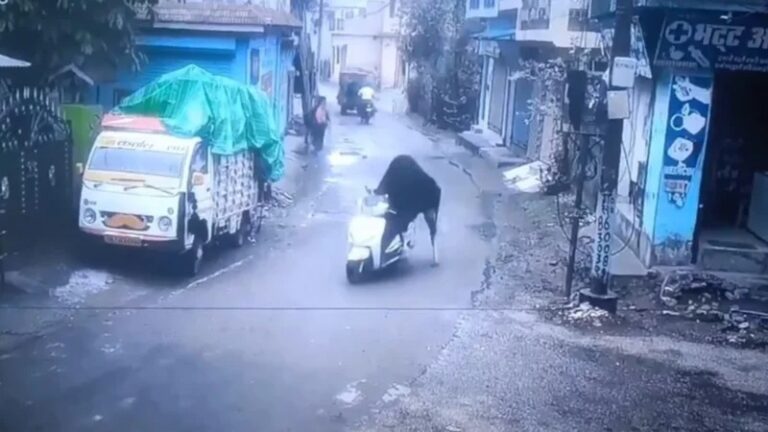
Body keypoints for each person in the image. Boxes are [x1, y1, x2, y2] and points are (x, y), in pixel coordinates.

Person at [374, 155, 441, 266]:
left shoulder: (395, 172)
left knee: (396, 222)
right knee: (429, 221)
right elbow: (434, 189)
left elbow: (384, 186)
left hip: (408, 204)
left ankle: (389, 249)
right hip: (424, 199)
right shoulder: (423, 178)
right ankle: (434, 246)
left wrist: (377, 192)